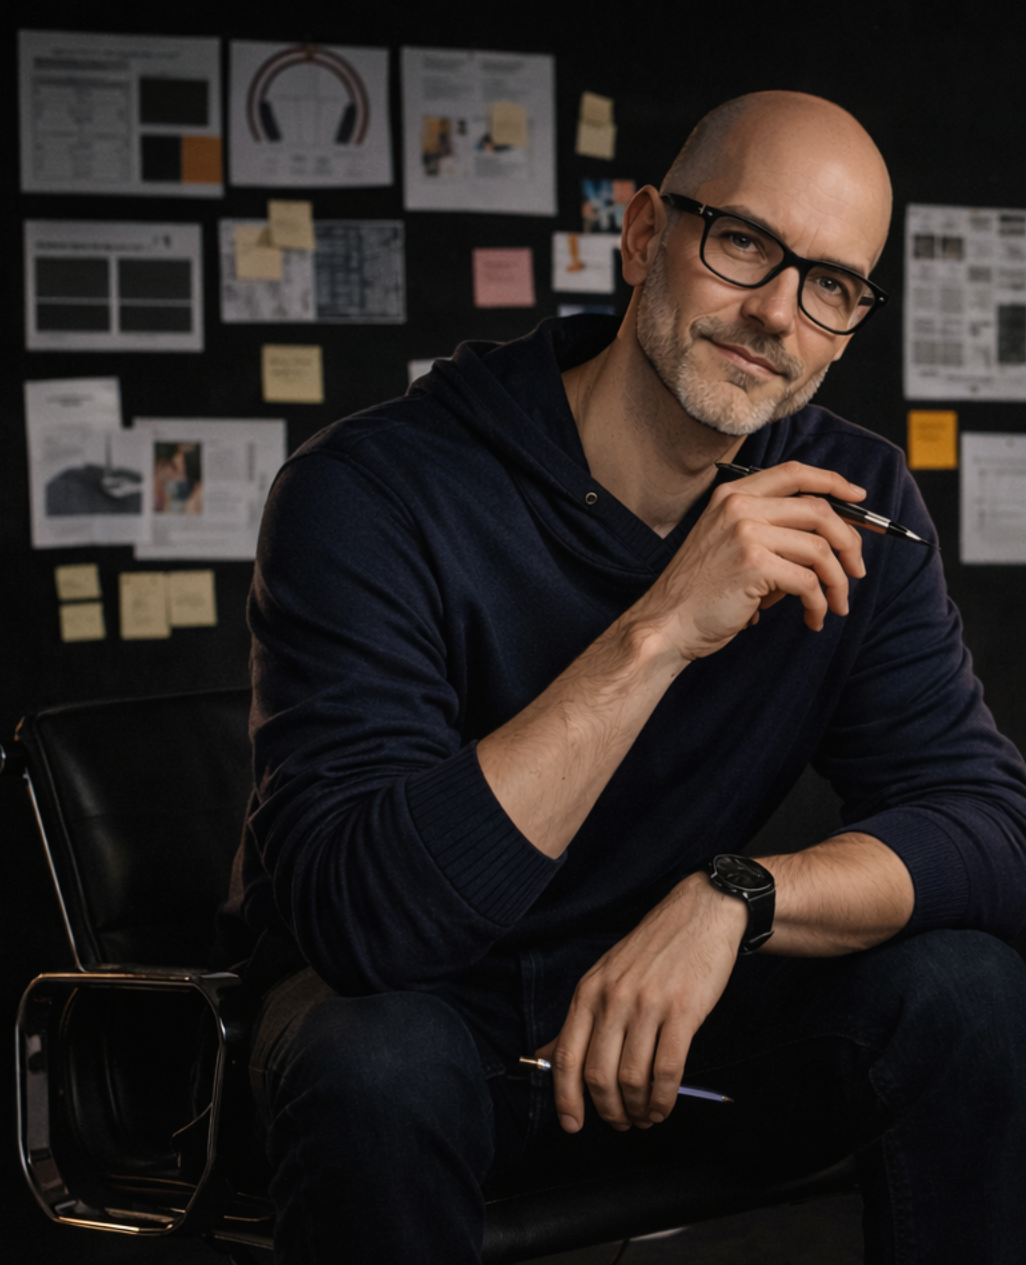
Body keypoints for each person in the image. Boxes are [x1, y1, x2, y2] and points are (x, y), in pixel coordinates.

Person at [214, 90, 1026, 1263]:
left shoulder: (852, 499)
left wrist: (734, 896)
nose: (776, 316)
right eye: (745, 242)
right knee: (374, 1057)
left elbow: (990, 830)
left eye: (831, 285)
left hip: (670, 1033)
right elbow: (367, 922)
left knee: (971, 994)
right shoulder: (372, 490)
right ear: (647, 235)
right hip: (425, 1026)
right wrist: (661, 626)